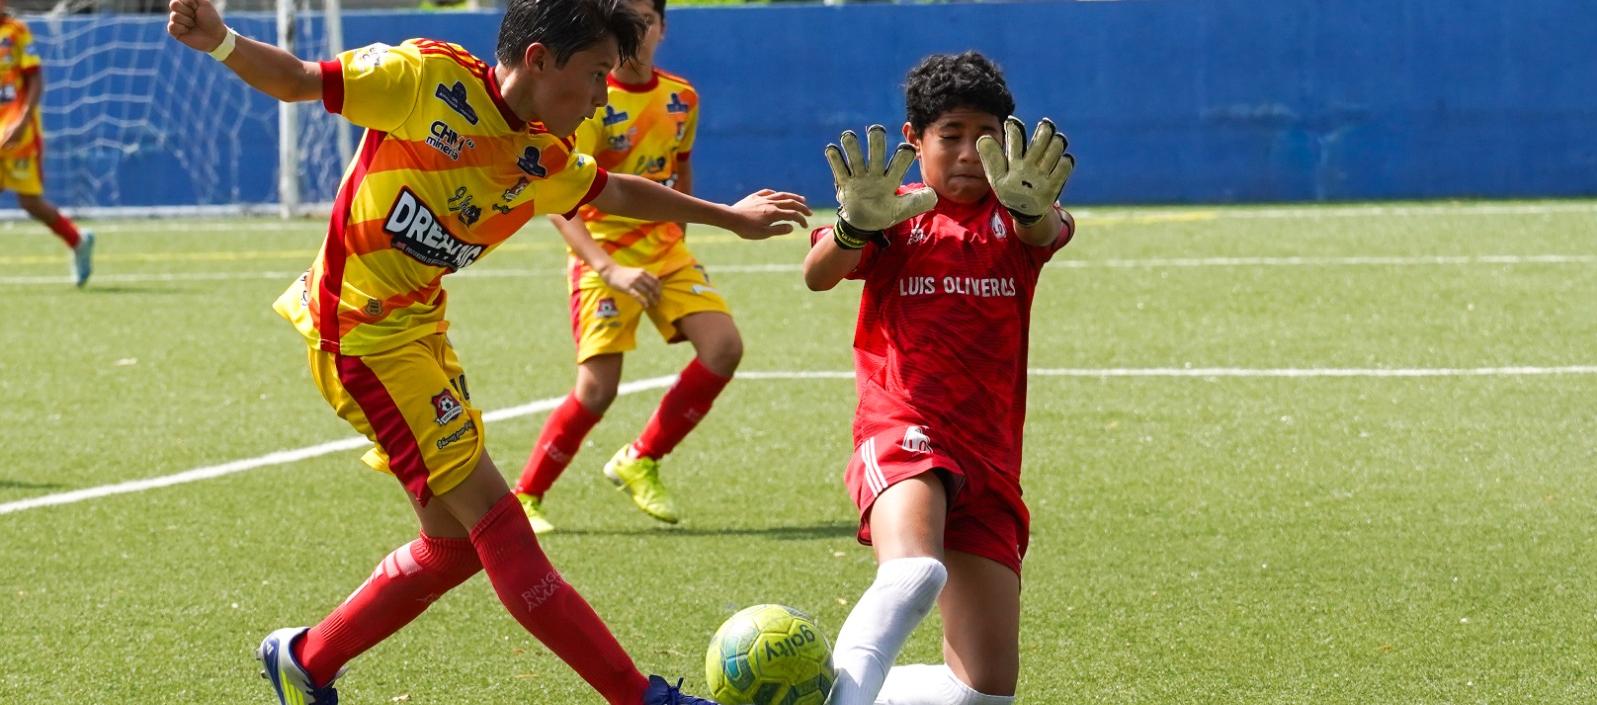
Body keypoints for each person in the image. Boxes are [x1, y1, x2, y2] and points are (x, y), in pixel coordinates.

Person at [166, 0, 809, 703]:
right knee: (500, 525)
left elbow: (615, 189)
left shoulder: (542, 154)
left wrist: (731, 218)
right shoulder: (424, 78)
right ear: (538, 59)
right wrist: (220, 40)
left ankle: (308, 659)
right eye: (594, 74)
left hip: (422, 335)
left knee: (452, 545)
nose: (600, 95)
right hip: (362, 337)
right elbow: (296, 79)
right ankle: (641, 697)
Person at [800, 51, 1075, 705]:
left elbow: (1047, 227)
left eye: (984, 138)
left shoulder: (1013, 218)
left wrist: (1034, 210)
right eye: (949, 135)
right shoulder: (888, 213)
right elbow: (817, 272)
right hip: (905, 430)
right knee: (914, 571)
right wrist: (851, 224)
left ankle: (820, 692)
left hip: (991, 460)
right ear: (912, 139)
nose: (967, 154)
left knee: (982, 693)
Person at [511, 0, 730, 533]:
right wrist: (607, 268)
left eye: (646, 19)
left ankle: (641, 457)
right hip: (602, 251)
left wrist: (681, 231)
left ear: (661, 28)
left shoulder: (682, 96)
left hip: (665, 249)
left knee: (724, 347)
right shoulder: (590, 98)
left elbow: (681, 166)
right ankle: (526, 495)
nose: (636, 29)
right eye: (624, 19)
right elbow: (560, 197)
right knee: (598, 389)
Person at [1, 0, 93, 287]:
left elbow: (35, 79)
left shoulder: (15, 32)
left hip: (17, 132)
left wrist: (23, 121)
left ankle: (77, 240)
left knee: (30, 202)